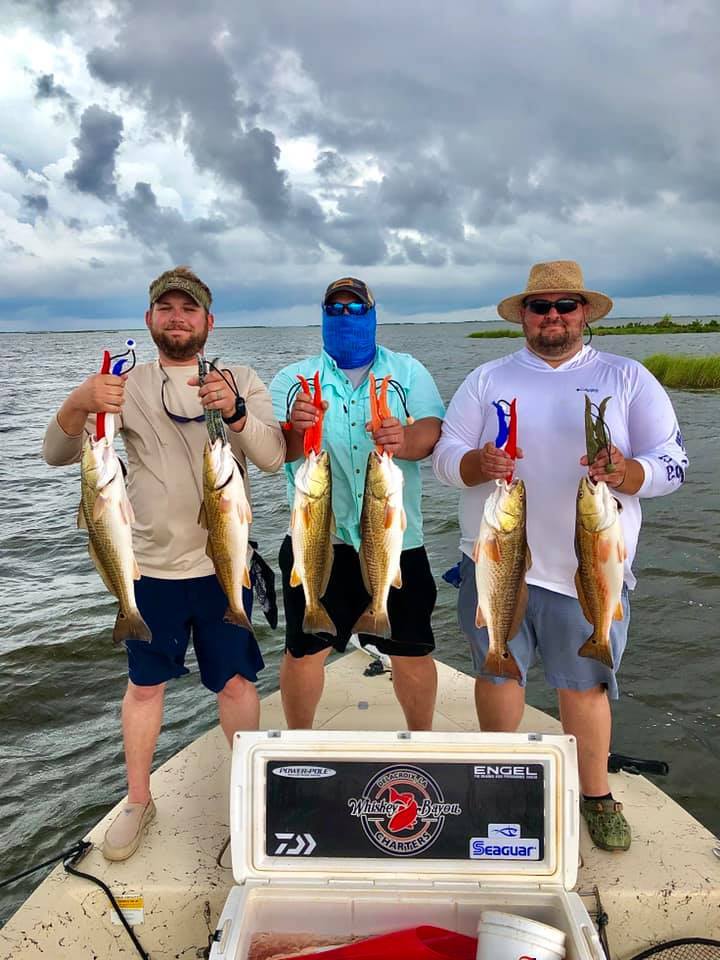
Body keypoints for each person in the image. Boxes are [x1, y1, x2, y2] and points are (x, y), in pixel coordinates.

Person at [432, 260, 688, 852]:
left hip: (589, 570)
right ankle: (498, 785)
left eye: (565, 305)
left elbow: (673, 464)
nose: (553, 316)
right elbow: (445, 457)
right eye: (540, 306)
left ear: (584, 313)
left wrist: (627, 471)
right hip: (494, 562)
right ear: (523, 315)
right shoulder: (487, 378)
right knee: (497, 672)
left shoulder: (627, 377)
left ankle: (596, 795)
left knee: (586, 685)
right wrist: (476, 463)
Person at [42, 266, 285, 861]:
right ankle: (137, 799)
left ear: (209, 321)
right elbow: (56, 453)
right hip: (148, 570)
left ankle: (252, 793)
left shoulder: (242, 379)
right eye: (167, 308)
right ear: (150, 319)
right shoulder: (125, 385)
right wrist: (79, 401)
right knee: (145, 686)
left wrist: (235, 412)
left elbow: (274, 458)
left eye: (189, 309)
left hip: (224, 566)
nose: (178, 318)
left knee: (235, 682)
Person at [270, 277, 445, 731]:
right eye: (335, 308)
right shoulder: (292, 379)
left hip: (395, 538)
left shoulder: (407, 371)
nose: (345, 315)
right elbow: (277, 451)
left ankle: (421, 741)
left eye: (355, 308)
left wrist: (403, 439)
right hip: (318, 539)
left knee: (411, 650)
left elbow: (431, 432)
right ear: (323, 315)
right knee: (304, 650)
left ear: (372, 312)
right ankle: (299, 742)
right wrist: (296, 428)